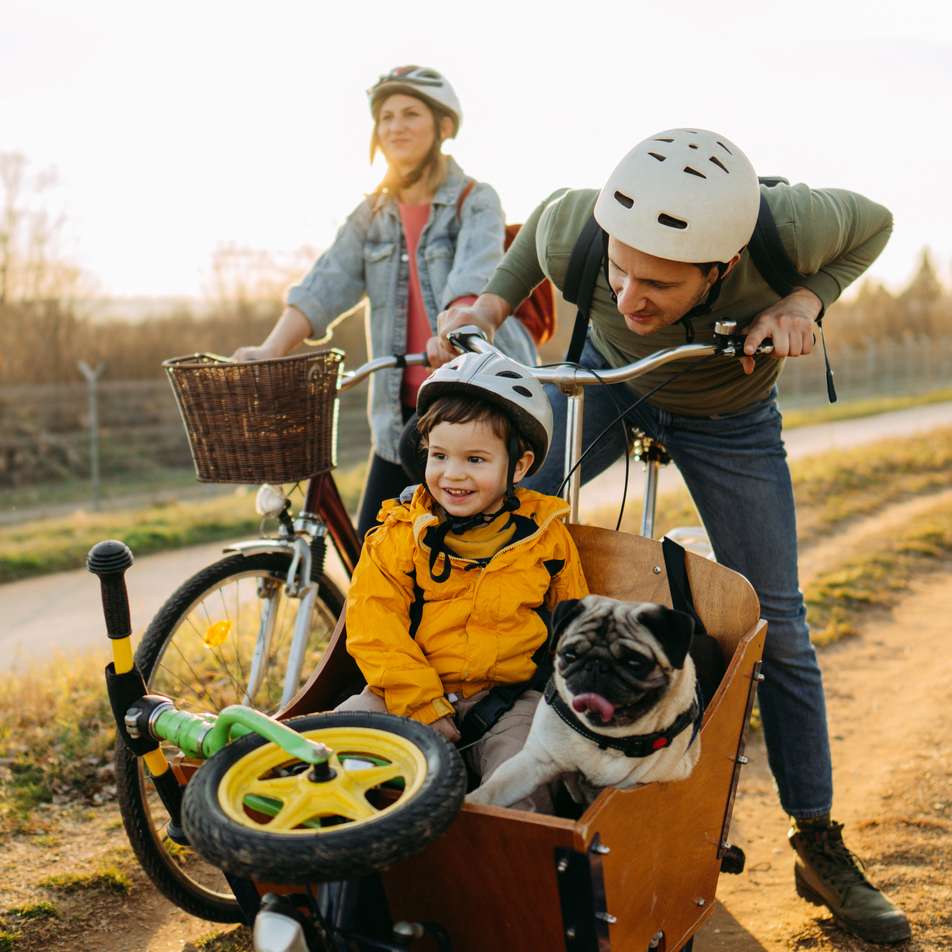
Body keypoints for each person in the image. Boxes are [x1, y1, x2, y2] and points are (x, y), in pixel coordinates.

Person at [434, 129, 910, 944]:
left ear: (721, 267)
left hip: (729, 414)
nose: (627, 293)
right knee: (500, 538)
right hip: (608, 389)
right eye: (619, 269)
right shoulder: (577, 226)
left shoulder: (789, 226)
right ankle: (468, 735)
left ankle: (818, 840)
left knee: (781, 626)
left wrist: (804, 302)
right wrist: (488, 303)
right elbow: (545, 222)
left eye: (657, 283)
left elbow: (878, 223)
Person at [232, 66, 535, 538]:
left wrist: (453, 331)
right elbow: (325, 282)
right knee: (372, 557)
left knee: (465, 560)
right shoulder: (370, 213)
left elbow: (472, 280)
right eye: (386, 116)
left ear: (444, 126)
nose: (395, 126)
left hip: (472, 406)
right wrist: (270, 350)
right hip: (400, 419)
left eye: (411, 113)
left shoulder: (475, 200)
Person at [337, 351, 589, 811]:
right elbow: (375, 627)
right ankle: (330, 874)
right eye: (439, 455)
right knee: (334, 750)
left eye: (475, 459)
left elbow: (575, 625)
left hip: (509, 701)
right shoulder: (398, 535)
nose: (452, 474)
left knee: (523, 783)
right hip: (404, 693)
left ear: (518, 466)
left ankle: (509, 877)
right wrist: (422, 704)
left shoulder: (547, 540)